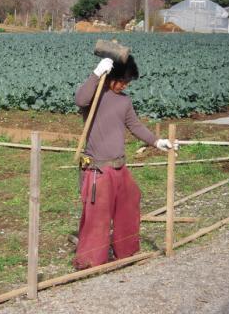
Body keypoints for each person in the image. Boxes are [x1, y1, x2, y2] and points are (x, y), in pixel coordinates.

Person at [72, 57, 176, 270]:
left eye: (127, 82)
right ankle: (90, 260)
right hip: (97, 169)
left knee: (130, 201)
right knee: (97, 215)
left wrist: (157, 141)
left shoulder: (124, 101)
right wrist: (96, 73)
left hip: (119, 166)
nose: (124, 85)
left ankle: (126, 252)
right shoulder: (95, 96)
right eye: (121, 81)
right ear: (110, 76)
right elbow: (80, 100)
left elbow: (135, 125)